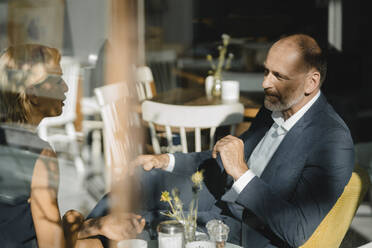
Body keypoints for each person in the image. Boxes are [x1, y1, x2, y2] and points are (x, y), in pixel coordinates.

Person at [134, 34, 354, 247]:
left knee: (140, 227)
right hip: (218, 203)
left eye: (278, 76)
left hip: (248, 233)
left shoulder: (333, 141)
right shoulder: (273, 109)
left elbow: (297, 230)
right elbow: (225, 158)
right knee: (135, 188)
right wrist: (167, 160)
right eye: (266, 71)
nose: (265, 83)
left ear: (311, 83)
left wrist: (241, 172)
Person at [0, 44, 145, 248]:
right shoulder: (39, 154)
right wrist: (76, 223)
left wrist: (92, 226)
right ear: (32, 92)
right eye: (58, 80)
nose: (66, 87)